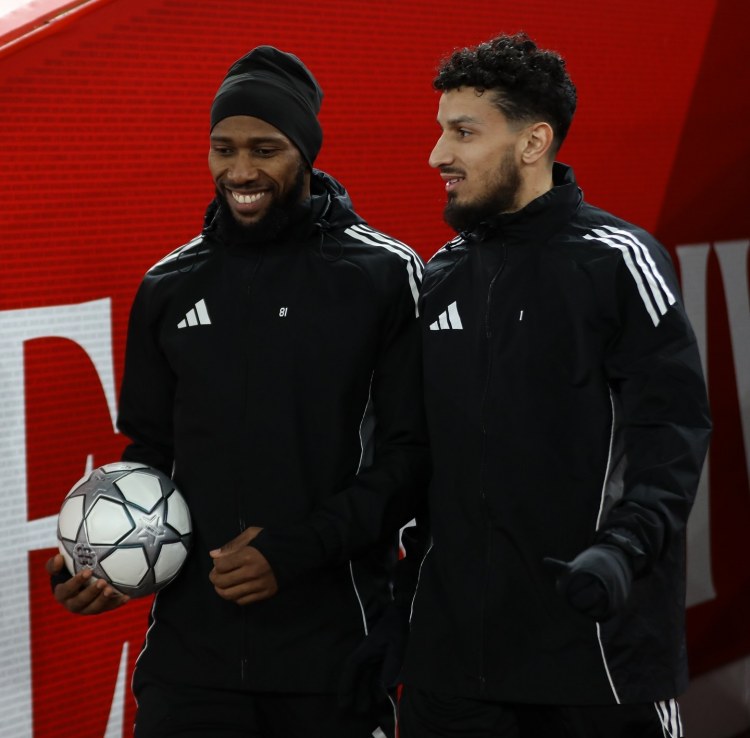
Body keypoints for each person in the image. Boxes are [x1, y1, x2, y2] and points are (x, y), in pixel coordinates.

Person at [46, 45, 428, 738]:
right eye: (223, 149)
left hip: (332, 658)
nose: (241, 171)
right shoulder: (169, 285)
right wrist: (96, 558)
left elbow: (411, 459)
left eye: (265, 149)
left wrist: (295, 550)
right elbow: (150, 453)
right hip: (190, 665)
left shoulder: (381, 274)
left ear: (306, 153)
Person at [399, 32, 712, 738]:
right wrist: (400, 605)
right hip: (454, 668)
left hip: (595, 652)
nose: (438, 155)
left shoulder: (619, 261)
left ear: (534, 142)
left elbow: (670, 430)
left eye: (463, 132)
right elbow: (415, 457)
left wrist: (623, 550)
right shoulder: (441, 274)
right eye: (441, 130)